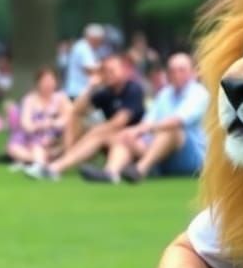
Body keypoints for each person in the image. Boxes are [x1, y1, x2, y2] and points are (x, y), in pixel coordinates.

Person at [81, 52, 209, 184]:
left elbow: (176, 121)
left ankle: (140, 169)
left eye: (181, 70)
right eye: (172, 70)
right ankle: (110, 173)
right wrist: (133, 132)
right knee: (125, 136)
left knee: (172, 130)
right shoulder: (164, 94)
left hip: (192, 158)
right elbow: (147, 120)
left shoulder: (199, 93)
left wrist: (140, 130)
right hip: (161, 154)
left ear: (193, 72)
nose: (176, 74)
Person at [24, 53, 145, 181]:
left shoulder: (133, 89)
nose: (108, 74)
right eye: (105, 71)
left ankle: (56, 167)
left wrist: (95, 132)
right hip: (115, 140)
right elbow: (76, 110)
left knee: (100, 132)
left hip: (136, 141)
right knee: (77, 120)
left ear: (124, 71)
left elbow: (119, 123)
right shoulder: (106, 92)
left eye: (112, 70)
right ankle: (68, 159)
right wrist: (91, 86)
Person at [7, 66, 71, 169]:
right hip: (30, 138)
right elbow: (26, 124)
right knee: (15, 148)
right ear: (38, 83)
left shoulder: (61, 98)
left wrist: (51, 123)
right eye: (44, 81)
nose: (48, 84)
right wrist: (40, 125)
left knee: (44, 147)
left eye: (51, 80)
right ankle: (39, 161)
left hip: (53, 139)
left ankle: (38, 162)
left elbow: (69, 117)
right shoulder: (30, 99)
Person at [64, 24, 104, 100]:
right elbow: (90, 69)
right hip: (78, 91)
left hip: (80, 91)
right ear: (93, 38)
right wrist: (104, 67)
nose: (100, 43)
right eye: (99, 40)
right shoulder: (83, 47)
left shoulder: (88, 48)